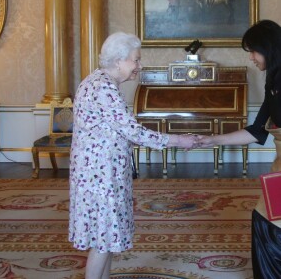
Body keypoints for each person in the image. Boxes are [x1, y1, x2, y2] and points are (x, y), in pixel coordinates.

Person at [68, 31, 198, 279]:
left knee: (103, 240)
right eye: (135, 60)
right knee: (102, 242)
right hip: (100, 177)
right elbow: (133, 132)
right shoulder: (103, 87)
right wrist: (178, 140)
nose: (139, 65)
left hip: (99, 174)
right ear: (118, 60)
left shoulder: (96, 81)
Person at [197, 19, 281, 279]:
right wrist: (213, 140)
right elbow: (257, 131)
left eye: (253, 52)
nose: (252, 59)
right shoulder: (273, 80)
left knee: (269, 222)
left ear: (268, 48)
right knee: (265, 221)